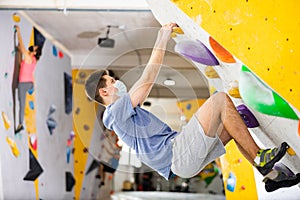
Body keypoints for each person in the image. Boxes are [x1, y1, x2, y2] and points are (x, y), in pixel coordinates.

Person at [85, 23, 290, 191]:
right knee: (219, 100)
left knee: (231, 124)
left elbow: (143, 84)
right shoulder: (113, 113)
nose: (116, 82)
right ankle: (259, 156)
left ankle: (271, 176)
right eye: (111, 81)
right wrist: (162, 37)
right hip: (177, 155)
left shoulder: (122, 114)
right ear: (104, 92)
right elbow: (147, 80)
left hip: (180, 161)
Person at [15, 25, 42, 133]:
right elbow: (22, 53)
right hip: (28, 83)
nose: (34, 47)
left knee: (21, 103)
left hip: (24, 83)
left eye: (35, 48)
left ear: (35, 52)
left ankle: (21, 124)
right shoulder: (32, 59)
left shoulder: (30, 58)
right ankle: (32, 89)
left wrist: (18, 32)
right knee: (21, 100)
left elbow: (22, 47)